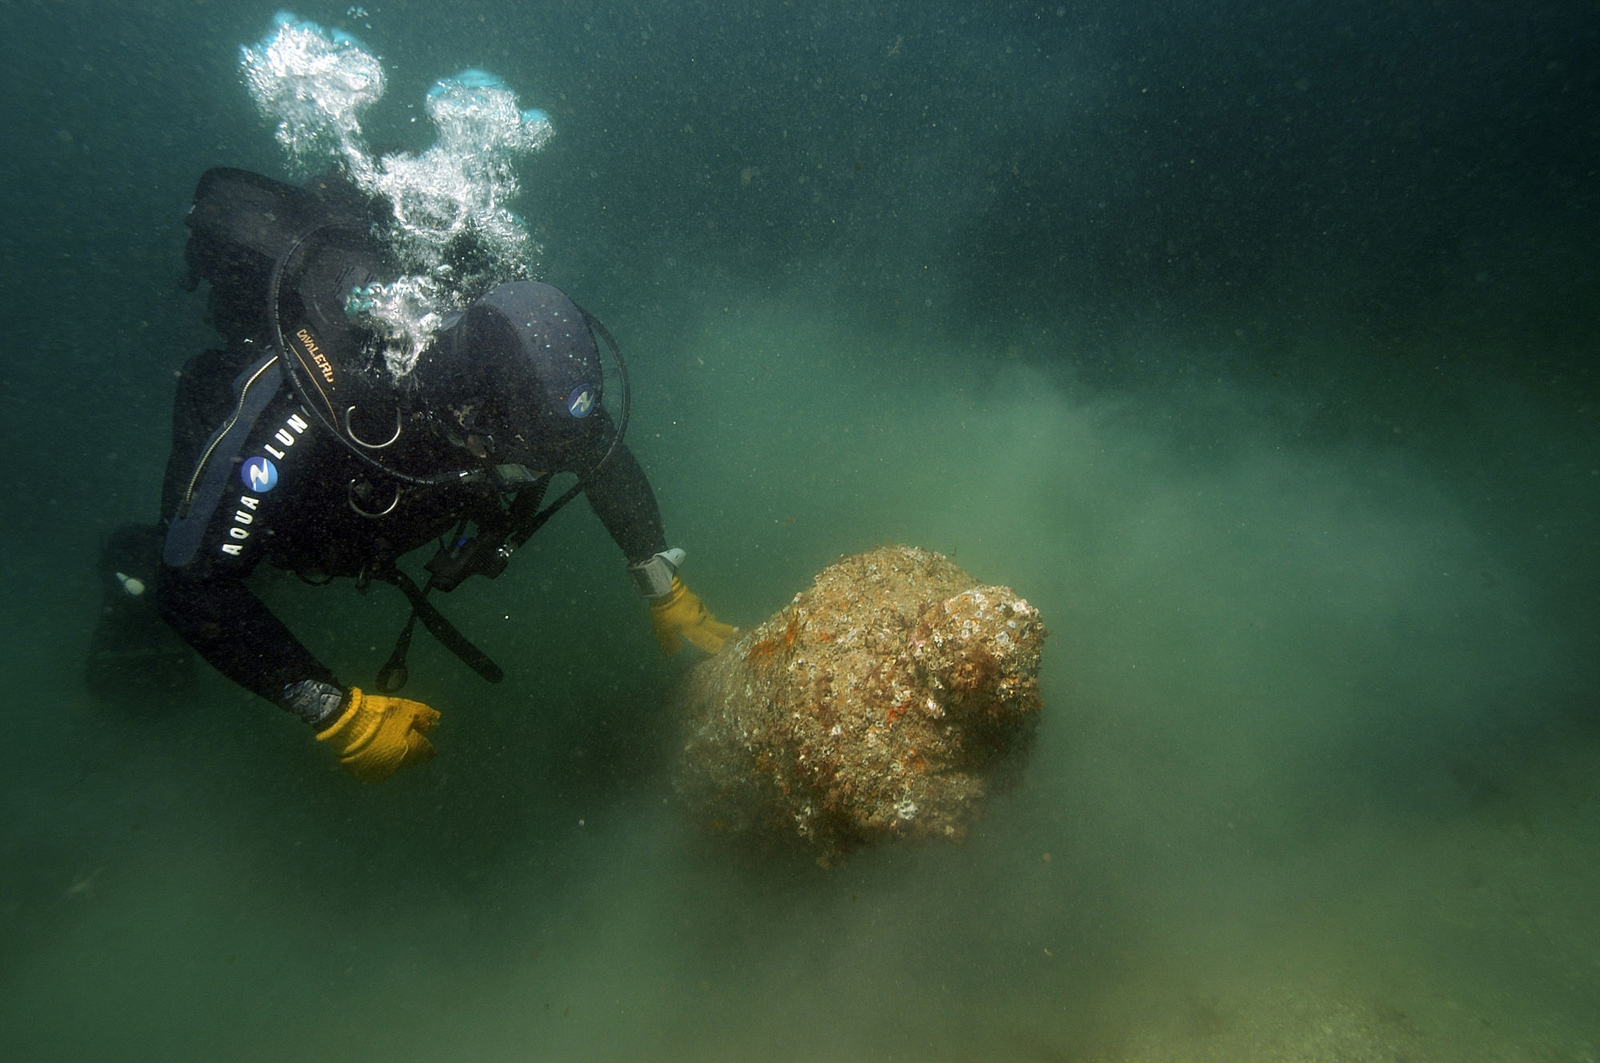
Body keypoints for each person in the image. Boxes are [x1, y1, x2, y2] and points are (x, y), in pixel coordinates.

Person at [88, 166, 733, 782]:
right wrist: (335, 712)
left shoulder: (526, 393)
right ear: (463, 413)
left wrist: (659, 580)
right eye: (523, 459)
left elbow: (599, 454)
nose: (534, 474)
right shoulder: (308, 397)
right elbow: (193, 583)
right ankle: (123, 585)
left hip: (380, 508)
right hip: (297, 519)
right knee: (186, 567)